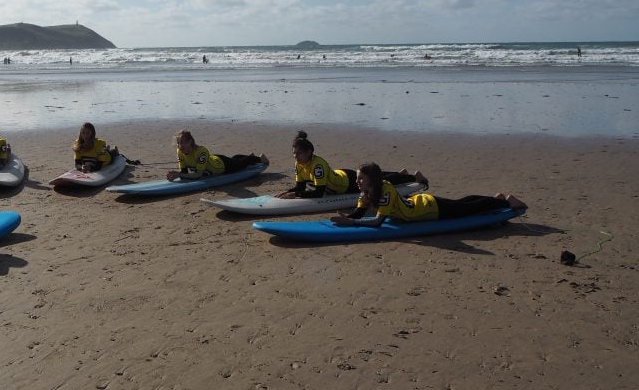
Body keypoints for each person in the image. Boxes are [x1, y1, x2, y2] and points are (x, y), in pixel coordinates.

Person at [331, 162, 526, 227]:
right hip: (418, 203)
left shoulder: (385, 191)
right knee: (462, 203)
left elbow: (378, 222)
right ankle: (496, 199)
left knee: (466, 209)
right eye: (357, 179)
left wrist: (352, 223)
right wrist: (347, 217)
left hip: (428, 209)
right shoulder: (365, 192)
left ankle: (508, 203)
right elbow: (359, 212)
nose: (356, 182)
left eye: (360, 179)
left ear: (371, 180)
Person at [275, 130, 424, 199]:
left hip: (347, 183)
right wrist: (287, 192)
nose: (296, 157)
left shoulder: (317, 165)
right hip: (340, 175)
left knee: (378, 182)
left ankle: (412, 177)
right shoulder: (299, 164)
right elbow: (300, 186)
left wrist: (295, 195)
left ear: (309, 152)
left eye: (299, 153)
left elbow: (319, 193)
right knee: (376, 176)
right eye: (294, 153)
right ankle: (400, 174)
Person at [166, 130, 267, 181]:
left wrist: (179, 175)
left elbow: (198, 175)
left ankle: (260, 159)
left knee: (237, 164)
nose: (180, 145)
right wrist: (176, 175)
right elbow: (184, 172)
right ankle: (249, 157)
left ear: (190, 142)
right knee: (235, 159)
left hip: (222, 166)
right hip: (213, 160)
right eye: (179, 143)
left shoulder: (201, 152)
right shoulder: (180, 151)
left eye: (183, 142)